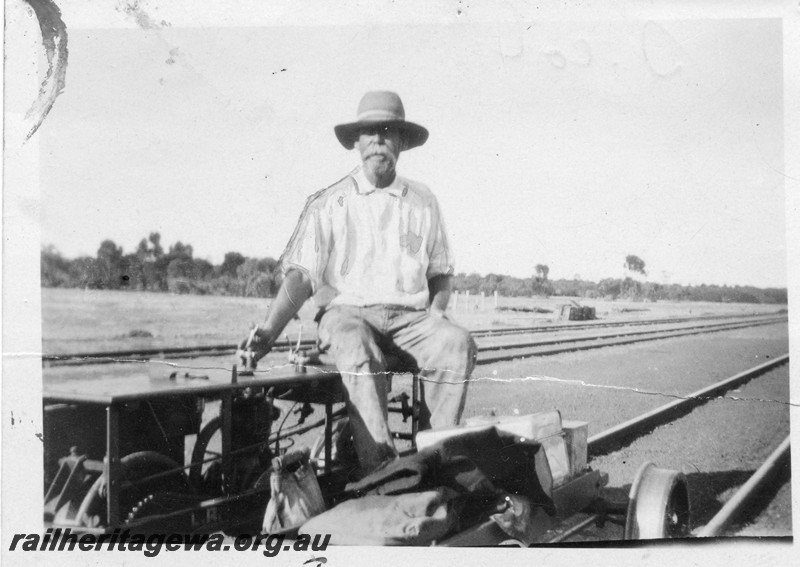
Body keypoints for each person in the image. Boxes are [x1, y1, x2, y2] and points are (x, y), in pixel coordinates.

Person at [243, 91, 477, 475]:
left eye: (387, 132)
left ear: (401, 142)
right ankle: (381, 473)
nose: (378, 140)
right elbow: (301, 275)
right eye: (369, 133)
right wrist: (269, 331)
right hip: (346, 315)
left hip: (410, 321)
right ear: (356, 142)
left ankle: (436, 462)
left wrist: (437, 313)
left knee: (456, 344)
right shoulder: (329, 202)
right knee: (357, 345)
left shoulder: (424, 201)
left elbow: (440, 274)